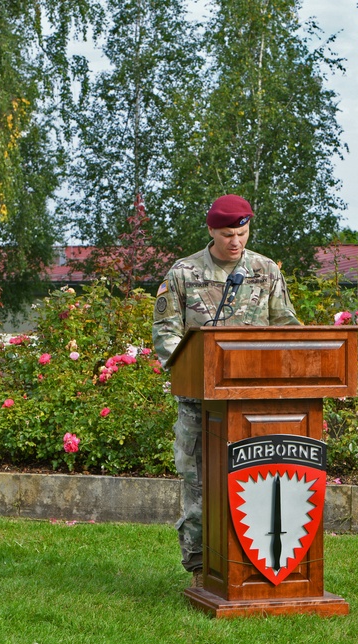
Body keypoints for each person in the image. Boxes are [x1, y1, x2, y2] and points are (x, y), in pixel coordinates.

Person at [152, 194, 301, 586]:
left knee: (255, 483)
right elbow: (166, 336)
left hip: (254, 402)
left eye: (242, 232)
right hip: (199, 402)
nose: (235, 241)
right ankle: (201, 570)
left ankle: (253, 566)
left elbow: (286, 326)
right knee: (199, 489)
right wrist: (196, 370)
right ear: (211, 231)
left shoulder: (266, 270)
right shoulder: (183, 273)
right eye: (226, 234)